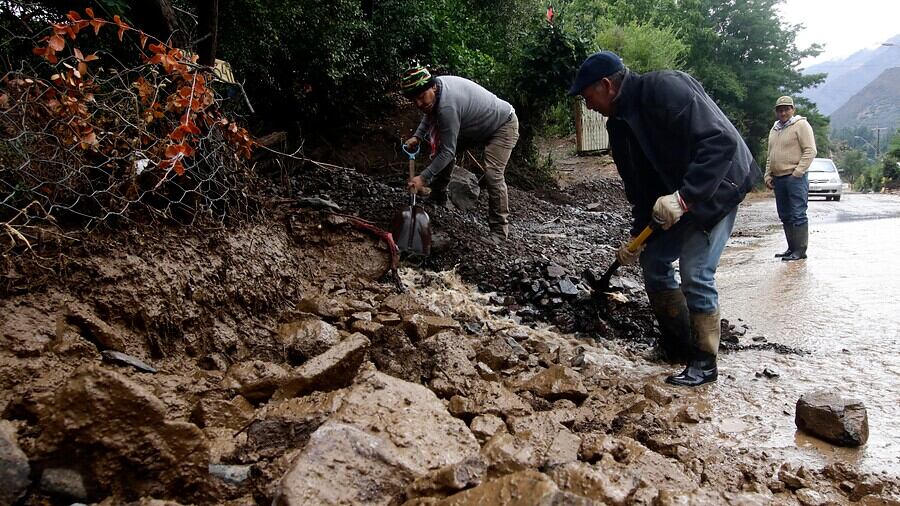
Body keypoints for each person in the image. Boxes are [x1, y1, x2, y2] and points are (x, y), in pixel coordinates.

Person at [569, 51, 760, 387]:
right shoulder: (619, 127)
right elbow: (641, 189)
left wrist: (684, 198)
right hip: (677, 196)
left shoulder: (665, 89)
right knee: (654, 260)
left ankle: (704, 362)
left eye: (588, 97)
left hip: (717, 186)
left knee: (695, 271)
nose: (588, 106)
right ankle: (676, 345)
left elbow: (721, 142)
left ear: (606, 85)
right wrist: (636, 239)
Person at [400, 64, 519, 243]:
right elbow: (428, 112)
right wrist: (418, 136)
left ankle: (499, 232)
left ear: (432, 87)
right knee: (444, 149)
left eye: (421, 97)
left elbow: (448, 152)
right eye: (413, 100)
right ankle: (438, 197)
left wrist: (423, 178)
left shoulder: (447, 106)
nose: (418, 103)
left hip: (503, 125)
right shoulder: (436, 91)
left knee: (493, 175)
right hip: (475, 126)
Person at [764, 96, 816, 261]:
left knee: (798, 213)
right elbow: (770, 155)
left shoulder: (801, 125)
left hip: (795, 178)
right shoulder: (774, 129)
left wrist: (798, 173)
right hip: (778, 178)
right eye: (780, 109)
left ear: (793, 109)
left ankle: (800, 251)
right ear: (776, 112)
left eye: (787, 109)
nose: (783, 112)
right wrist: (767, 174)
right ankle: (791, 248)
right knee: (785, 215)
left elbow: (810, 150)